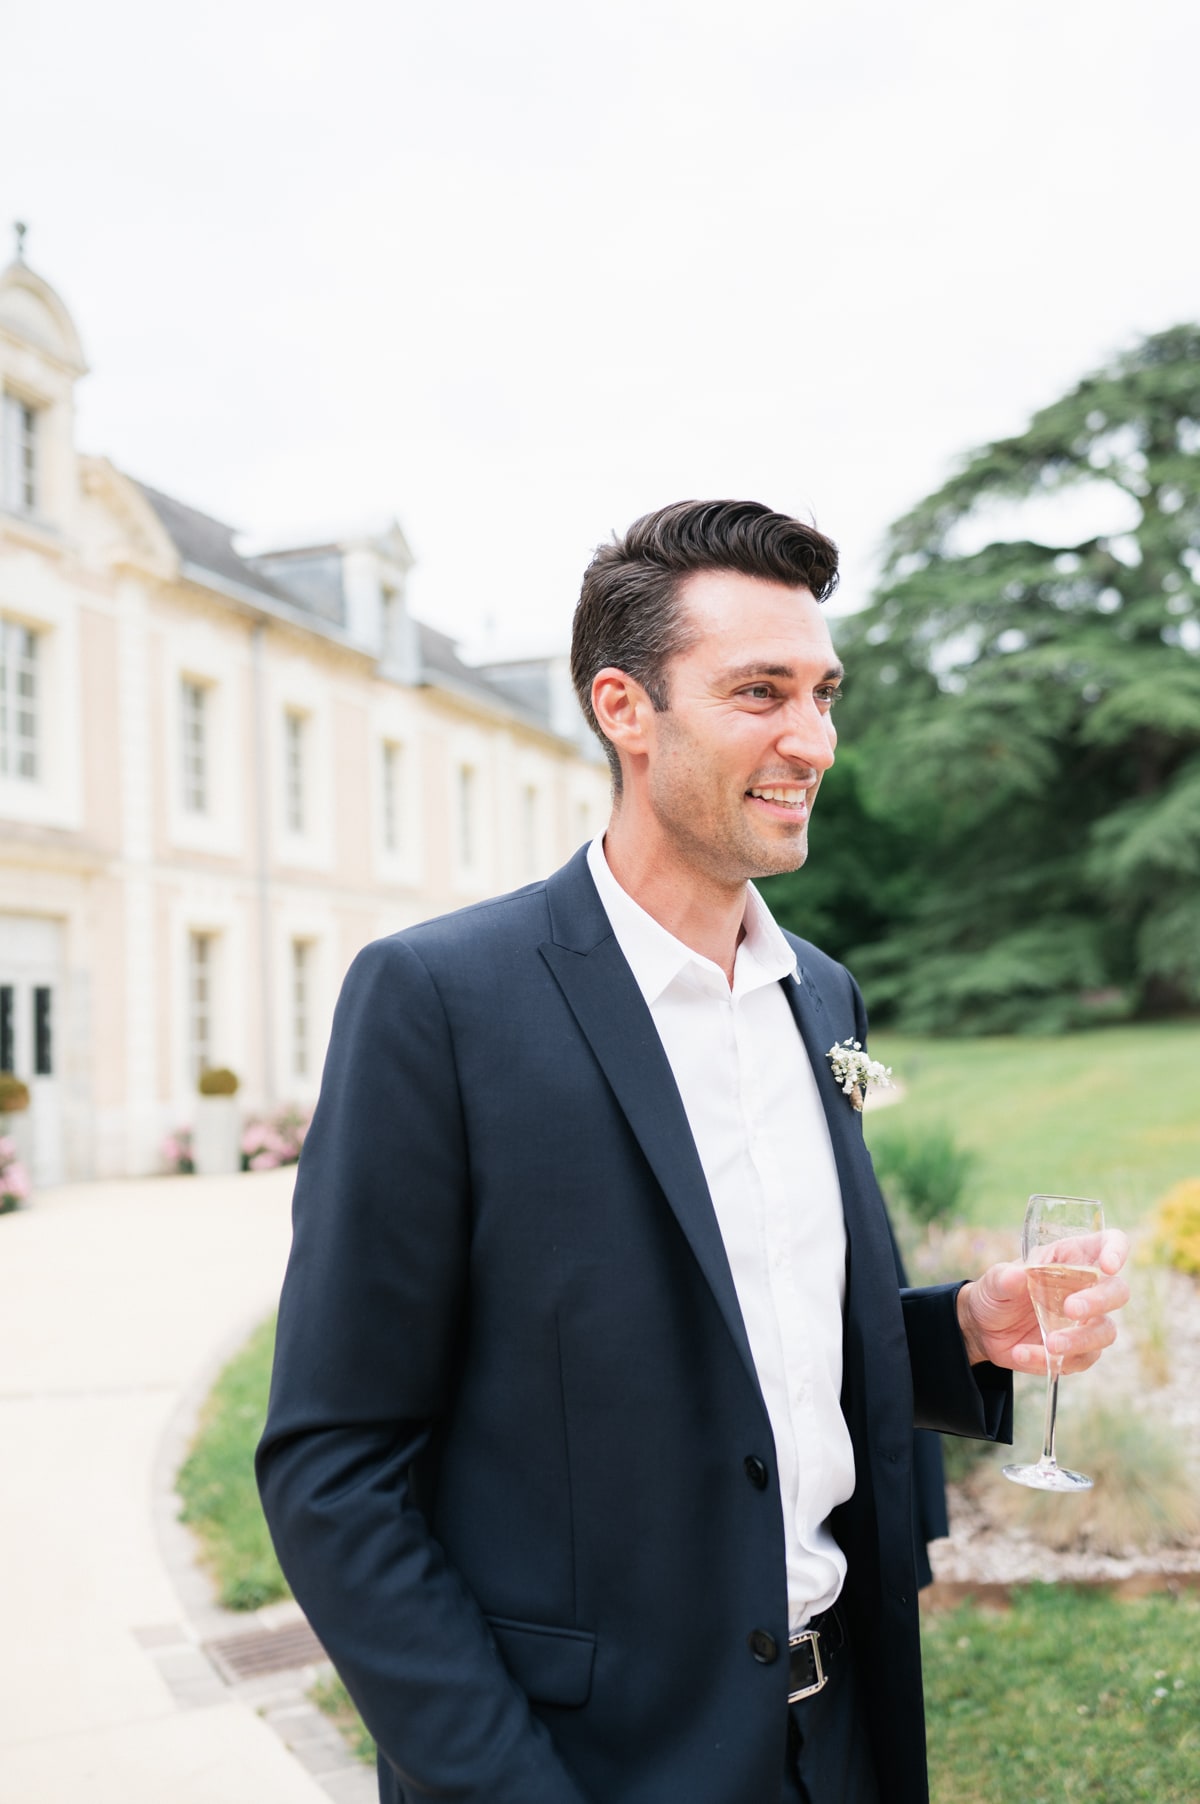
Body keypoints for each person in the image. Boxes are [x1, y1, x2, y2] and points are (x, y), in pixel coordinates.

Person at [257, 499, 1128, 1804]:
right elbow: (333, 1467)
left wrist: (962, 1333)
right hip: (593, 1764)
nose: (812, 739)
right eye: (760, 692)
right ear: (625, 707)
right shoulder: (437, 1000)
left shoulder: (820, 995)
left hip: (842, 1737)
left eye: (823, 693)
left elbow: (750, 1337)